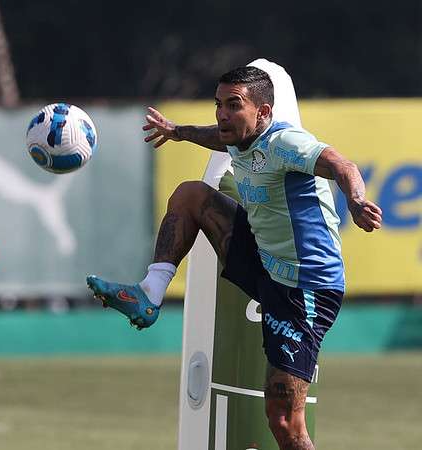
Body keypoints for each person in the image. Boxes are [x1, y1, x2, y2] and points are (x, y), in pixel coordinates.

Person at [87, 66, 382, 450]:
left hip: (304, 290)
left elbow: (343, 165)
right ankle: (149, 294)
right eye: (218, 104)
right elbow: (215, 136)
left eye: (233, 105)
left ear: (263, 112)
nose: (222, 114)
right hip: (264, 261)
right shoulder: (238, 137)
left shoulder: (285, 142)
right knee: (191, 195)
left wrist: (356, 201)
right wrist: (177, 132)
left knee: (283, 420)